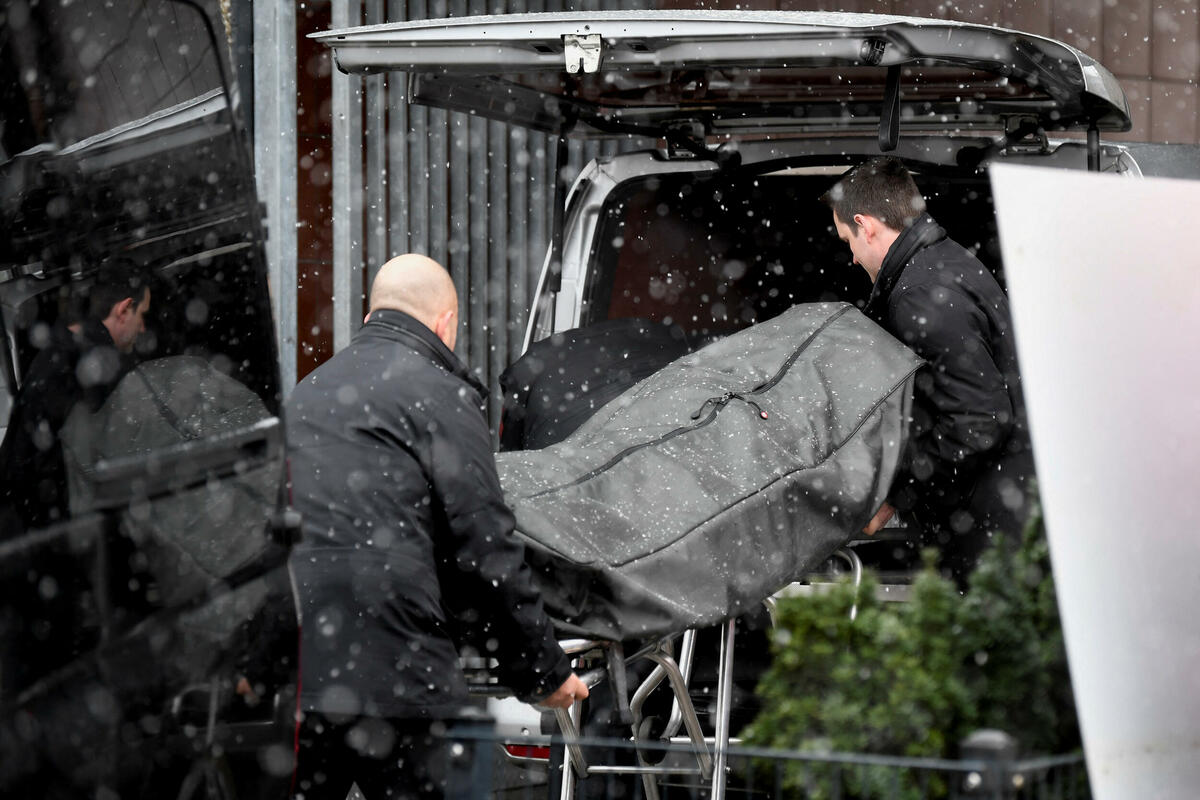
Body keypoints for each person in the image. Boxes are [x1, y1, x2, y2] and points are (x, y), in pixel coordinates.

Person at [285, 253, 587, 800]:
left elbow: (276, 535)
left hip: (307, 675)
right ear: (446, 322)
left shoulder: (305, 394)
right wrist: (543, 671)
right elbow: (484, 545)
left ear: (371, 314)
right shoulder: (440, 395)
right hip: (403, 676)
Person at [821, 157, 1034, 577]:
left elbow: (979, 422)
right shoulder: (943, 262)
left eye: (847, 240)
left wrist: (898, 493)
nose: (852, 258)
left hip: (994, 530)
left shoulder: (920, 293)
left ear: (865, 226)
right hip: (1011, 509)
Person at [0, 261, 150, 534]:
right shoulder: (93, 371)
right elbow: (94, 477)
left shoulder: (59, 355)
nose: (142, 328)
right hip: (55, 533)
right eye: (142, 314)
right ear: (124, 309)